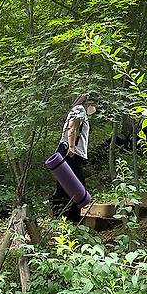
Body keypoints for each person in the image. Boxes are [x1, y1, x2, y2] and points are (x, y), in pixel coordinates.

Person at [51, 94, 97, 222]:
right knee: (74, 186)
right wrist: (71, 147)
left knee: (67, 185)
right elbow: (72, 127)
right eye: (94, 104)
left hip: (73, 152)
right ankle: (70, 219)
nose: (95, 107)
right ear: (89, 102)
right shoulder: (79, 110)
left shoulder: (80, 111)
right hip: (71, 152)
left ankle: (66, 218)